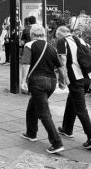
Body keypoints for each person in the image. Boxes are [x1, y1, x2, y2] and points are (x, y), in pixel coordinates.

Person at [20, 24, 65, 154]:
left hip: (37, 81)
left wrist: (23, 81)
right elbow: (61, 66)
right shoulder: (51, 47)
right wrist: (63, 81)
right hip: (51, 82)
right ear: (43, 34)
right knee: (32, 106)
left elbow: (26, 63)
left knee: (43, 112)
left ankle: (57, 143)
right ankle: (31, 133)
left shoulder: (29, 45)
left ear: (32, 34)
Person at [56, 26, 91, 150]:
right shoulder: (80, 40)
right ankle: (67, 129)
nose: (56, 38)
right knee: (71, 100)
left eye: (56, 35)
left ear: (60, 34)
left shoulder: (62, 41)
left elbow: (62, 60)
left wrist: (64, 78)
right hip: (87, 78)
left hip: (76, 79)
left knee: (81, 109)